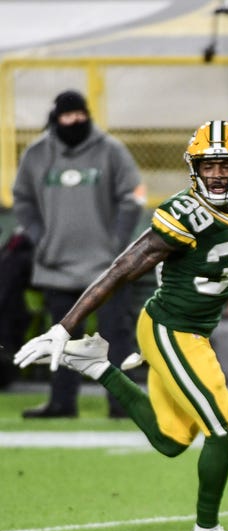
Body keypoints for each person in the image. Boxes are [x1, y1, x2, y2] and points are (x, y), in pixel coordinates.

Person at [14, 120, 228, 531]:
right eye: (207, 165)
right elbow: (122, 268)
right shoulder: (185, 213)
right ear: (194, 168)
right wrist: (65, 325)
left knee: (171, 441)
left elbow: (225, 242)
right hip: (172, 329)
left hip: (195, 329)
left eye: (225, 164)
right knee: (225, 426)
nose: (216, 174)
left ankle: (97, 365)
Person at [12, 90, 145, 418]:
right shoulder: (36, 154)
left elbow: (133, 196)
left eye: (80, 115)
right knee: (60, 337)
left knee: (115, 336)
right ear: (56, 118)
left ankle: (122, 404)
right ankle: (61, 403)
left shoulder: (111, 150)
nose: (75, 121)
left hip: (107, 267)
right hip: (56, 264)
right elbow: (23, 200)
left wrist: (117, 243)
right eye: (68, 116)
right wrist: (41, 239)